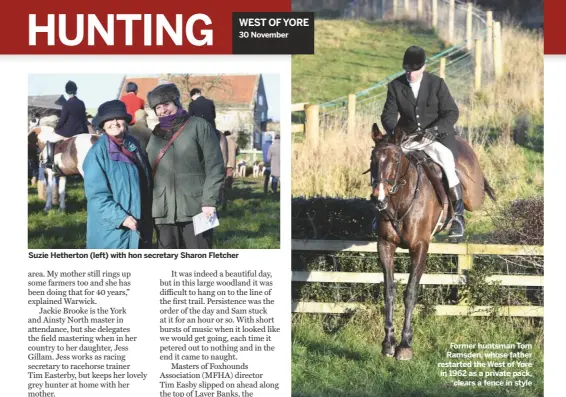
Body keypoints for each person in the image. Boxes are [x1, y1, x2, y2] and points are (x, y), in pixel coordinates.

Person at [380, 45, 464, 238]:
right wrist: (394, 132)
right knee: (386, 162)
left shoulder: (437, 84)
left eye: (414, 70)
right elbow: (388, 115)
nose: (410, 74)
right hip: (409, 138)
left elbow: (451, 112)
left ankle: (458, 217)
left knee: (447, 163)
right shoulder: (395, 86)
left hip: (437, 136)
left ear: (424, 67)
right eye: (407, 70)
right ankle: (381, 212)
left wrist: (435, 129)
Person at [146, 83, 225, 249]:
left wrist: (209, 201)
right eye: (158, 107)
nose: (162, 110)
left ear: (176, 102)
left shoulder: (199, 126)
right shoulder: (155, 134)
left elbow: (215, 166)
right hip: (163, 212)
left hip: (198, 208)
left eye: (166, 104)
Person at [83, 100, 153, 249]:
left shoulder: (134, 145)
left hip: (141, 222)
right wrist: (122, 218)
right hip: (114, 229)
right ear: (102, 124)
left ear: (125, 121)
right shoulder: (97, 154)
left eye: (118, 118)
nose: (114, 122)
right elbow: (97, 196)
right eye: (109, 119)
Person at [44, 81, 88, 168]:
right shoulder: (81, 102)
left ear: (66, 91)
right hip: (82, 130)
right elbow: (83, 118)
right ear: (76, 90)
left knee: (50, 139)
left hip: (70, 131)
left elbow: (62, 120)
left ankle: (49, 162)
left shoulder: (67, 104)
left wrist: (56, 128)